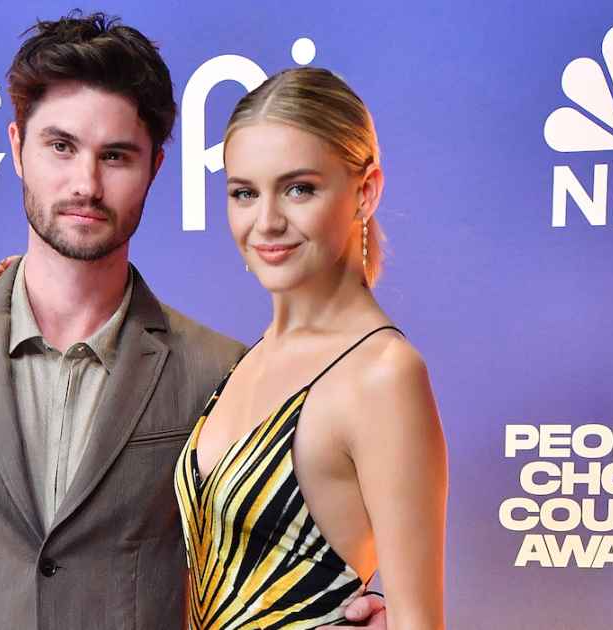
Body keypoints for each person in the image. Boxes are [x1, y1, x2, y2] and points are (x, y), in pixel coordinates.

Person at [0, 12, 387, 629]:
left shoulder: (223, 372)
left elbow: (263, 577)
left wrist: (338, 620)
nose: (87, 183)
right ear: (17, 147)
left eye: (116, 156)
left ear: (155, 166)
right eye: (61, 146)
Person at [172, 68, 447, 629]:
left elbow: (419, 622)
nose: (266, 222)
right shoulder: (247, 360)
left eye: (299, 189)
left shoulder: (383, 374)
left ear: (365, 192)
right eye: (244, 193)